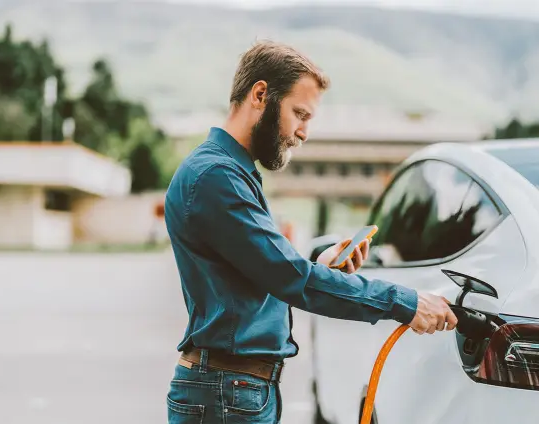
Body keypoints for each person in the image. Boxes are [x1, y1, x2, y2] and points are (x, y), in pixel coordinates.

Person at [162, 40, 457, 424]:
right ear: (261, 94)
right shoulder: (217, 177)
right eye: (299, 114)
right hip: (225, 393)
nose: (303, 133)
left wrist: (319, 265)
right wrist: (405, 302)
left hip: (232, 390)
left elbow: (262, 275)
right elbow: (290, 278)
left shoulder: (228, 173)